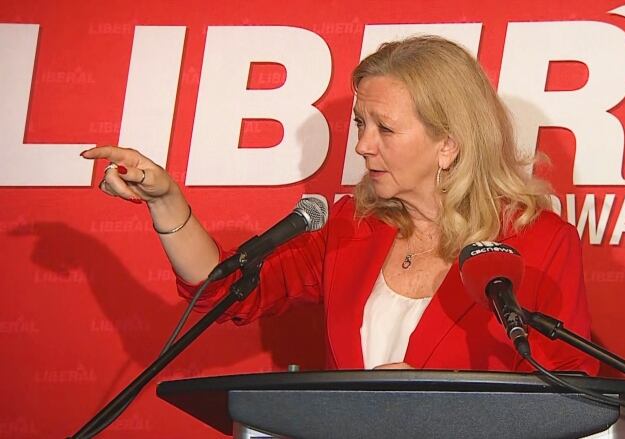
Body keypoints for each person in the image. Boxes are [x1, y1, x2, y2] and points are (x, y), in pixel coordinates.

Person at [81, 35, 598, 374]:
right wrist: (167, 202)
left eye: (385, 129)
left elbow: (565, 398)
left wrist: (437, 404)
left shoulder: (538, 243)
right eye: (360, 125)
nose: (362, 146)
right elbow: (227, 291)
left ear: (449, 143)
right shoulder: (353, 227)